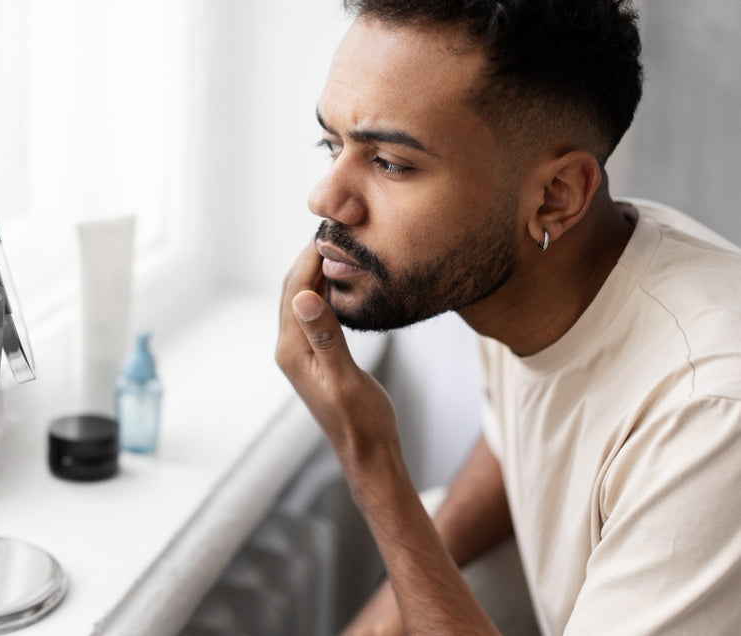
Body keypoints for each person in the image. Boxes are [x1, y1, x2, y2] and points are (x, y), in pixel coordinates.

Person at [275, 1, 741, 634]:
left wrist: (371, 459)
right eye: (332, 143)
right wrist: (384, 617)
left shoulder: (710, 412)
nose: (325, 197)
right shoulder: (536, 277)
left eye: (390, 163)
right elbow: (521, 432)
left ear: (556, 197)